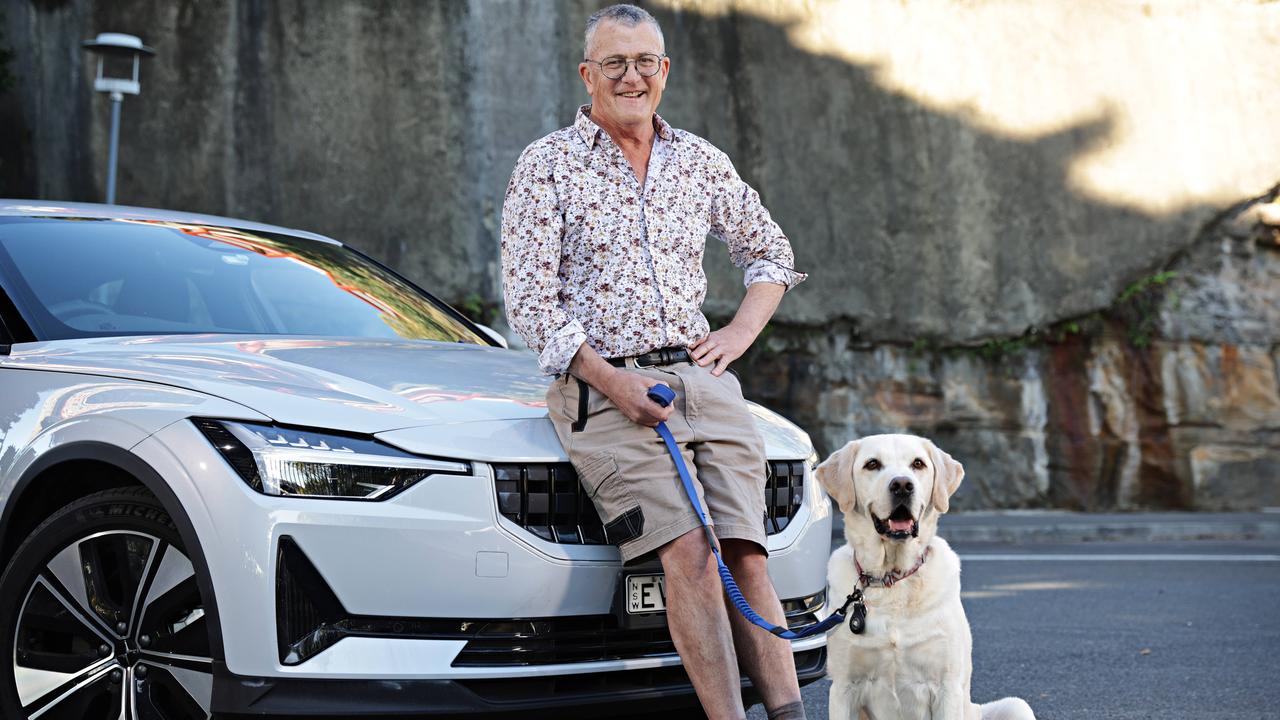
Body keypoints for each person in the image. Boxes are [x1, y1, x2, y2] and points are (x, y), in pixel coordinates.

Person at [500, 5, 807, 719]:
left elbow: (772, 253)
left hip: (705, 380)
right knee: (692, 555)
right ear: (589, 74)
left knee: (747, 554)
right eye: (615, 63)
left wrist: (737, 334)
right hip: (607, 389)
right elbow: (532, 305)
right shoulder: (546, 164)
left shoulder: (700, 160)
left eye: (645, 62)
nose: (631, 76)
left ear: (664, 71)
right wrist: (615, 382)